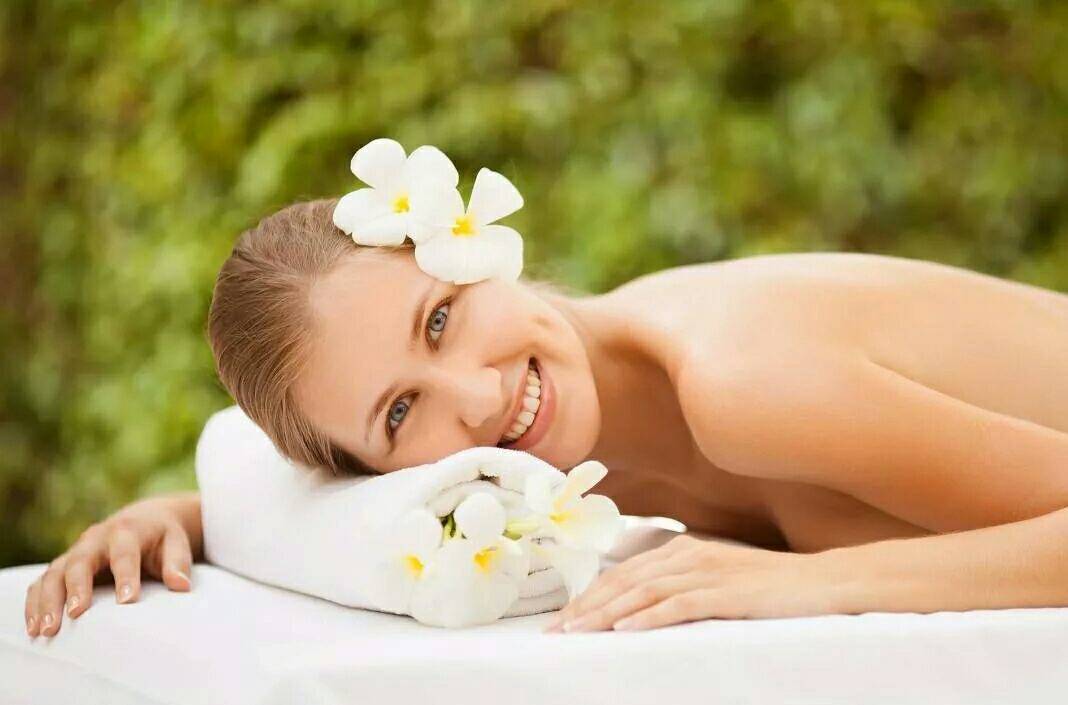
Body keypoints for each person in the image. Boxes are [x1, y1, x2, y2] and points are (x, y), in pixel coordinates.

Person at [24, 197, 1068, 638]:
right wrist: (186, 516)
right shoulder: (574, 469)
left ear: (472, 243)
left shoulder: (735, 379)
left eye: (440, 318)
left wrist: (804, 587)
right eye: (402, 410)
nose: (480, 398)